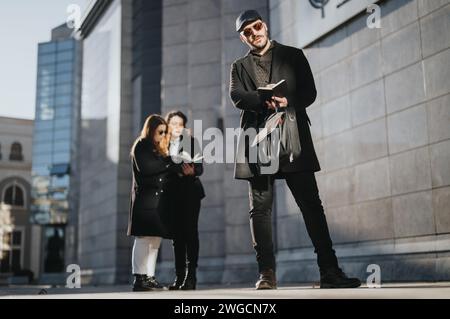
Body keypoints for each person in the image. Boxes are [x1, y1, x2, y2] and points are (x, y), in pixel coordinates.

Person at [229, 10, 361, 289]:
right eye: (248, 32)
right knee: (260, 210)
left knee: (311, 205)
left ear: (264, 25)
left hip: (292, 136)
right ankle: (266, 274)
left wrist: (284, 101)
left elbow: (309, 92)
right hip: (257, 139)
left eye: (257, 26)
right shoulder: (238, 67)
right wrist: (261, 100)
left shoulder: (294, 55)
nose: (255, 33)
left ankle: (330, 271)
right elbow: (237, 96)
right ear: (243, 37)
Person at [127, 114, 182, 292]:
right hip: (145, 201)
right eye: (160, 131)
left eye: (165, 132)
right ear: (151, 130)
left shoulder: (159, 149)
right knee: (143, 239)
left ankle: (149, 277)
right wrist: (169, 162)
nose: (162, 134)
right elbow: (148, 167)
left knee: (155, 240)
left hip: (158, 203)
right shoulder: (142, 145)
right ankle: (139, 278)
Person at [165, 110, 205, 290]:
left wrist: (192, 170)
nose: (176, 127)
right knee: (176, 237)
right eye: (173, 123)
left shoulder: (191, 142)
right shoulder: (162, 144)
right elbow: (163, 166)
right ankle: (179, 277)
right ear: (167, 125)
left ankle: (191, 277)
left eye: (180, 124)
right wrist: (179, 169)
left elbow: (200, 168)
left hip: (190, 192)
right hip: (172, 194)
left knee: (190, 233)